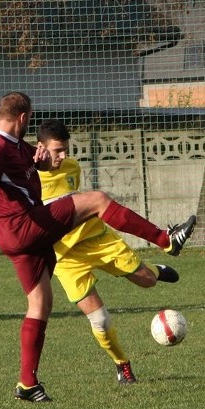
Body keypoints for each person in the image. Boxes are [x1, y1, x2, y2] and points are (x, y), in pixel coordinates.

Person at [0, 92, 196, 402]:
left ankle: (27, 384)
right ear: (24, 118)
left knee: (39, 304)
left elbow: (31, 167)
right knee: (97, 200)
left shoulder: (16, 146)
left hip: (21, 236)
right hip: (27, 228)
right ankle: (165, 239)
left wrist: (41, 163)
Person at [36, 119, 182, 385]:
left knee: (147, 282)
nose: (64, 156)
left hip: (96, 238)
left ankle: (154, 270)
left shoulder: (71, 167)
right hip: (66, 258)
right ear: (41, 148)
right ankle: (122, 365)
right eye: (57, 150)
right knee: (100, 320)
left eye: (66, 149)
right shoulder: (28, 178)